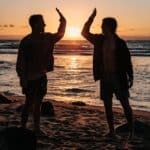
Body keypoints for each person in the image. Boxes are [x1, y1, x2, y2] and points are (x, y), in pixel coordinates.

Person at [81, 8, 134, 138]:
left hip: (119, 77)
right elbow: (84, 32)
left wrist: (131, 76)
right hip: (105, 77)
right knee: (107, 105)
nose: (101, 28)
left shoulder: (120, 43)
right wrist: (91, 18)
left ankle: (131, 132)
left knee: (125, 104)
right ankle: (111, 131)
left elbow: (127, 61)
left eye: (103, 25)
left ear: (110, 27)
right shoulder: (99, 40)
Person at [16, 8, 66, 135]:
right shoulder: (27, 41)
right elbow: (20, 62)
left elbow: (60, 33)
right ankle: (23, 127)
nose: (44, 24)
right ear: (35, 24)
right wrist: (23, 78)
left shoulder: (47, 38)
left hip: (42, 76)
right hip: (30, 78)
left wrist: (63, 20)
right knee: (28, 103)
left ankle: (36, 129)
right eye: (42, 22)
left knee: (38, 104)